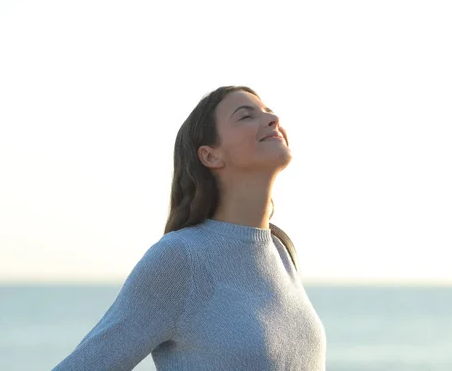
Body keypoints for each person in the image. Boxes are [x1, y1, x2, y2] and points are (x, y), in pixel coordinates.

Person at [51, 86, 327, 370]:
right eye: (246, 116)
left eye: (269, 113)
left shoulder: (281, 251)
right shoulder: (181, 258)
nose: (273, 120)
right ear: (210, 156)